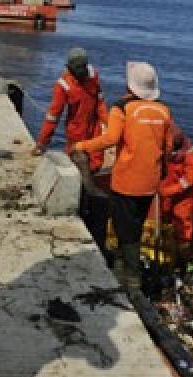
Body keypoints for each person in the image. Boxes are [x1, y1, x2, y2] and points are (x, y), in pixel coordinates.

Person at [69, 62, 173, 289]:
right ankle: (123, 267)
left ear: (129, 84)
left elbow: (110, 138)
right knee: (135, 225)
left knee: (124, 229)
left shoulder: (122, 108)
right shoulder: (164, 110)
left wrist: (83, 145)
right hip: (150, 182)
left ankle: (130, 278)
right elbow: (167, 146)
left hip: (127, 181)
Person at [32, 47, 107, 172]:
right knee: (77, 158)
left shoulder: (93, 76)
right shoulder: (63, 85)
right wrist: (42, 142)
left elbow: (100, 104)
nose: (82, 71)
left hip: (95, 127)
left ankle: (93, 179)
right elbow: (53, 117)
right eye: (78, 68)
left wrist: (108, 125)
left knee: (96, 161)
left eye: (83, 67)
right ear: (70, 67)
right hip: (76, 129)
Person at [157, 128, 193, 262]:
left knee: (182, 226)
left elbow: (189, 181)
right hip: (166, 194)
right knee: (164, 221)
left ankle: (182, 259)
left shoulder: (190, 155)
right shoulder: (165, 151)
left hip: (182, 198)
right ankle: (165, 249)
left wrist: (168, 191)